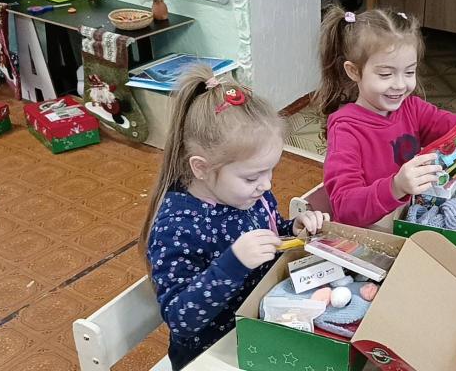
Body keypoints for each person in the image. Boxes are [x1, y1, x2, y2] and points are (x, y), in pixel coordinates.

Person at [138, 66, 327, 369]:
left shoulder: (248, 194)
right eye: (253, 176)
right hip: (212, 355)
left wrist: (293, 229)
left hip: (260, 327)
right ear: (200, 168)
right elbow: (180, 319)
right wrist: (233, 264)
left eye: (270, 171)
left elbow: (271, 231)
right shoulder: (177, 227)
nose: (266, 185)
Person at [314, 6, 456, 228]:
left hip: (408, 221)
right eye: (385, 74)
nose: (401, 85)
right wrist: (395, 186)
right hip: (370, 231)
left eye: (409, 72)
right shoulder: (345, 129)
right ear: (354, 71)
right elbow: (344, 208)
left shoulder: (412, 108)